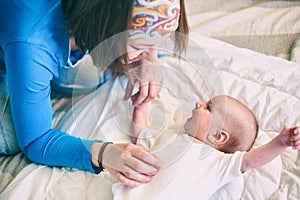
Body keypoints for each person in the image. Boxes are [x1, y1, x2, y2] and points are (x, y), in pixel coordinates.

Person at [0, 0, 189, 187]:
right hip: (21, 42)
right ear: (104, 27)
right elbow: (35, 140)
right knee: (12, 138)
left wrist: (150, 60)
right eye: (139, 46)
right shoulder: (31, 43)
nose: (147, 53)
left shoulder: (96, 15)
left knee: (88, 77)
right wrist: (103, 154)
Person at [123, 95, 300, 198]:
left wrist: (280, 143)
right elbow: (140, 136)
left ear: (218, 136)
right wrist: (141, 107)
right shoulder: (171, 135)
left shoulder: (217, 163)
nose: (198, 103)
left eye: (208, 107)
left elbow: (250, 161)